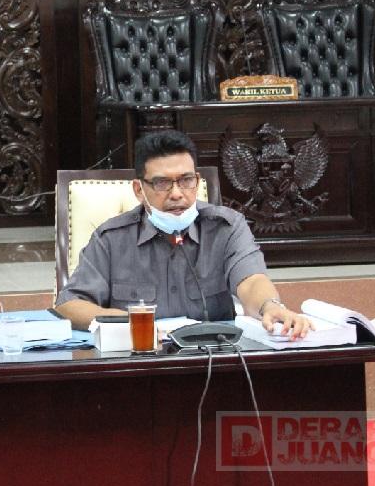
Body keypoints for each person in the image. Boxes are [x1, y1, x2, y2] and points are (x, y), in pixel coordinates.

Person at [55, 130, 312, 340]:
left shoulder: (227, 227)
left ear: (197, 181)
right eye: (162, 183)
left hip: (213, 358)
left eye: (186, 180)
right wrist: (131, 322)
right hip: (139, 360)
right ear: (139, 190)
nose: (177, 194)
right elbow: (70, 304)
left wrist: (270, 306)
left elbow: (252, 281)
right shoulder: (111, 239)